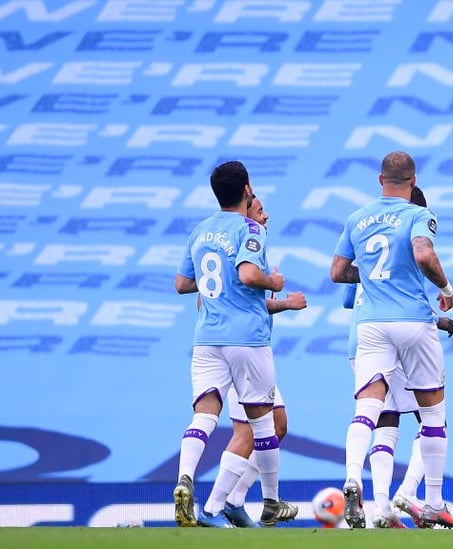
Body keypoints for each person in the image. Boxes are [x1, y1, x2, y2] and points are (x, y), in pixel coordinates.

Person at [330, 150, 453, 529]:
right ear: (413, 181)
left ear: (379, 179)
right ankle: (433, 500)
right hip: (413, 321)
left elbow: (338, 272)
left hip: (370, 325)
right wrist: (447, 287)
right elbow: (423, 255)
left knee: (368, 410)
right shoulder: (418, 215)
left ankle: (353, 477)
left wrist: (371, 274)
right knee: (433, 413)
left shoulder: (357, 218)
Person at [173, 161, 298, 528]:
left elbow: (183, 284)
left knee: (204, 415)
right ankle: (271, 501)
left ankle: (185, 480)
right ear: (247, 189)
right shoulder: (249, 229)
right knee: (263, 424)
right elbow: (247, 273)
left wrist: (219, 281)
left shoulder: (200, 231)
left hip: (206, 338)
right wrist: (273, 282)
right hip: (246, 338)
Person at [204, 195, 308, 528]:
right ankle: (213, 508)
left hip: (246, 349)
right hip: (239, 352)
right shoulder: (237, 250)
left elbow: (247, 304)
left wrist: (275, 301)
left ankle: (234, 502)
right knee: (247, 432)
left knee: (277, 425)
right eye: (260, 210)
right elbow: (220, 307)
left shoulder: (244, 254)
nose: (266, 216)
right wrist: (286, 303)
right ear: (244, 215)